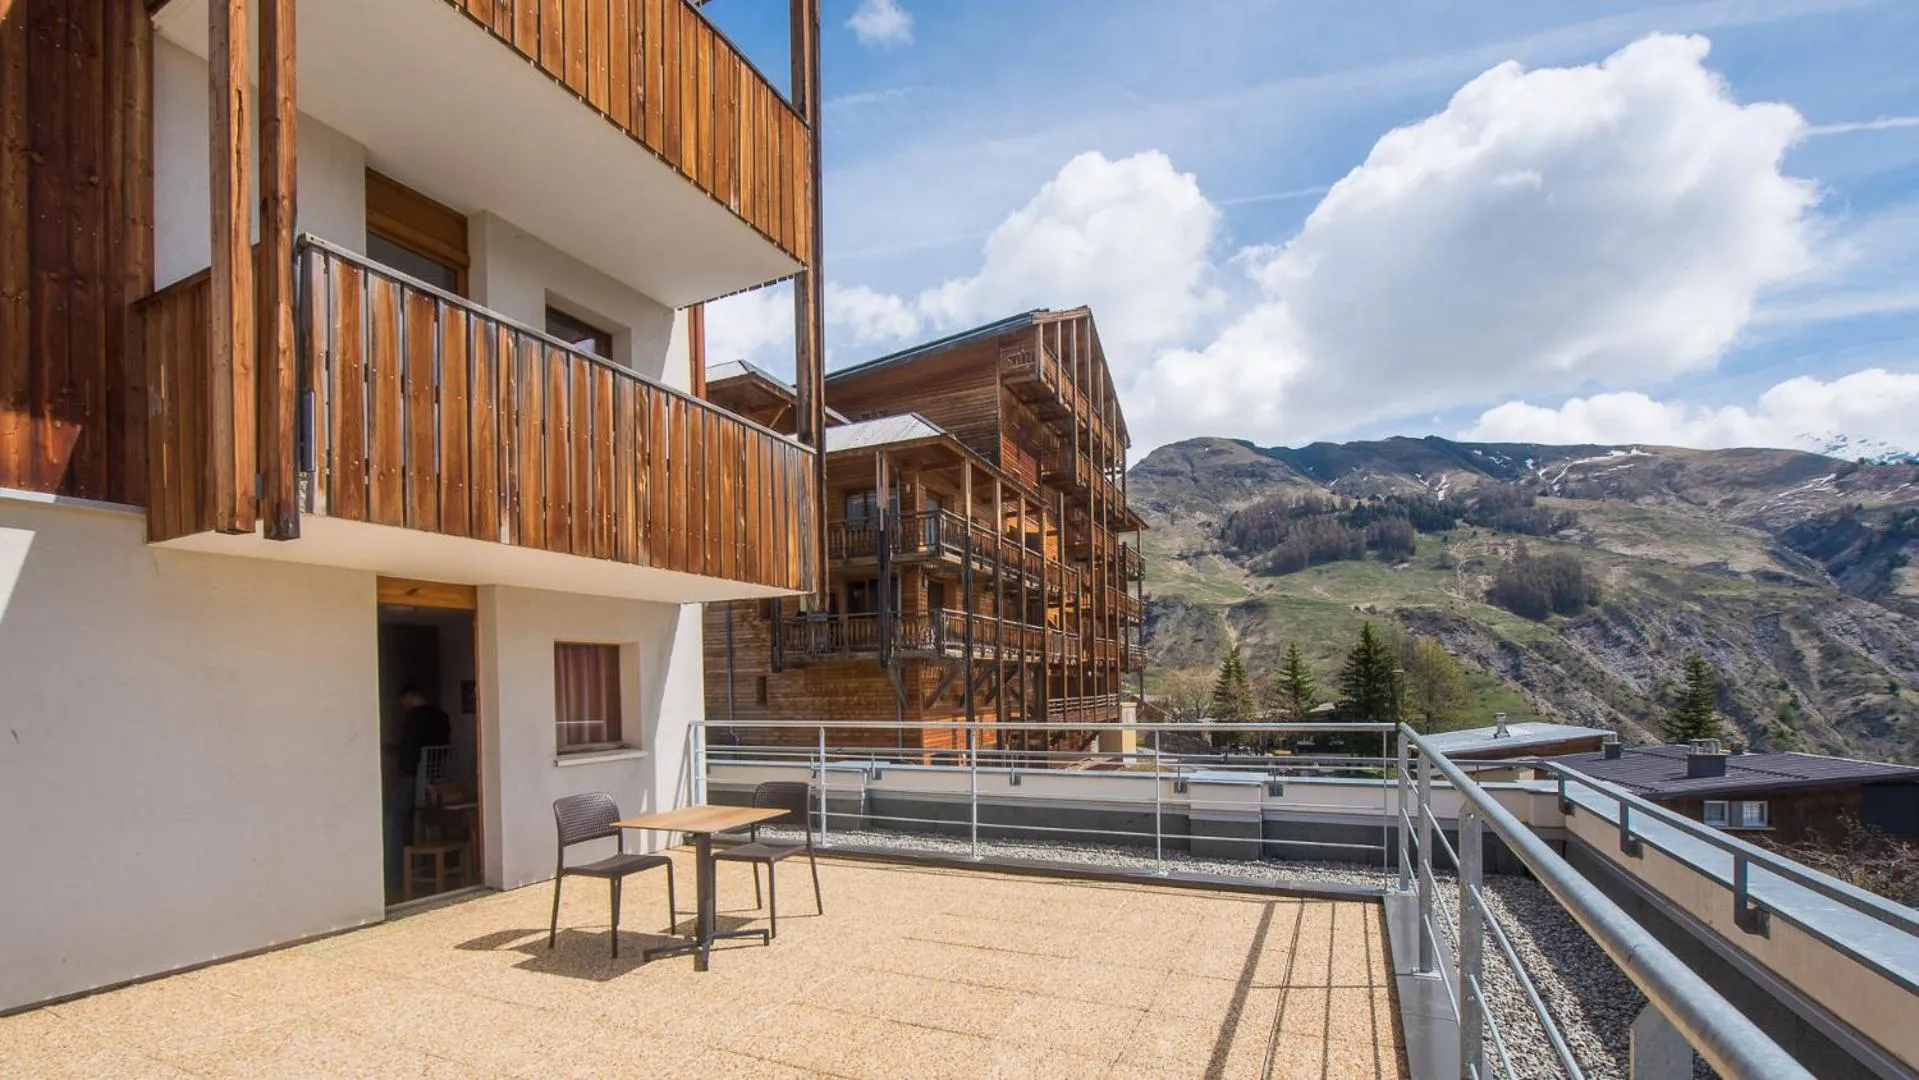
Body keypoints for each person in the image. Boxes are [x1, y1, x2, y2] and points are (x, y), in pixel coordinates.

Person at [385, 687, 452, 892]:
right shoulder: (442, 716)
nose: (403, 707)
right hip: (435, 777)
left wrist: (391, 751)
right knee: (423, 823)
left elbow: (410, 751)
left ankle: (393, 877)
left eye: (403, 703)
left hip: (412, 776)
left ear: (409, 698)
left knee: (392, 821)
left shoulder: (414, 718)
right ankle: (421, 865)